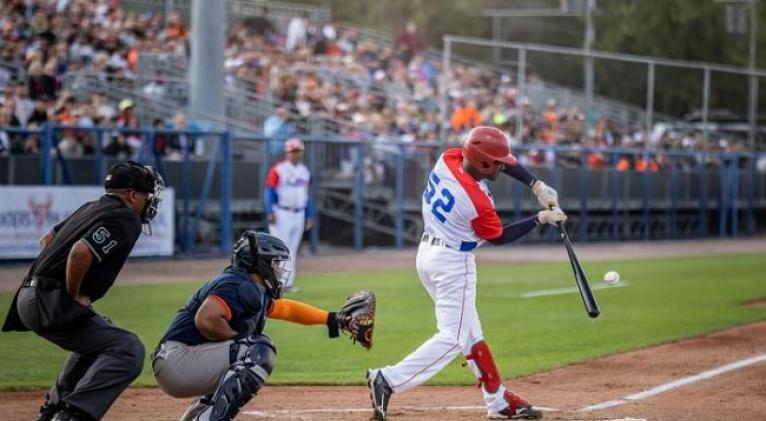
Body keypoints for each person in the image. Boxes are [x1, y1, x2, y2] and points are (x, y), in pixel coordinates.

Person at [366, 126, 566, 421]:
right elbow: (498, 237)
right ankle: (388, 379)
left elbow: (497, 157)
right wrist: (540, 218)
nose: (500, 166)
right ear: (483, 161)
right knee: (454, 337)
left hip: (428, 254)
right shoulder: (476, 201)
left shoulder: (448, 158)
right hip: (453, 263)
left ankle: (497, 401)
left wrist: (535, 184)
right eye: (496, 163)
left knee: (471, 333)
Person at [1, 161, 165, 421]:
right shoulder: (127, 217)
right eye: (147, 195)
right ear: (132, 195)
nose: (150, 202)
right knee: (128, 349)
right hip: (48, 299)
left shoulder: (92, 206)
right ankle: (72, 415)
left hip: (27, 296)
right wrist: (72, 294)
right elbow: (80, 252)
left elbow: (47, 239)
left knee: (98, 340)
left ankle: (53, 411)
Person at [152, 231, 375, 421]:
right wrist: (237, 341)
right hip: (178, 360)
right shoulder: (235, 284)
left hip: (180, 361)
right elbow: (206, 319)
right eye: (275, 263)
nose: (279, 270)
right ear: (259, 263)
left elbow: (286, 309)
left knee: (241, 355)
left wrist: (332, 319)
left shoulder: (251, 289)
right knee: (257, 351)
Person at [264, 138, 313, 293]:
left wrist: (308, 215)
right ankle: (275, 283)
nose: (295, 154)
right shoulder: (278, 169)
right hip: (281, 212)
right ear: (287, 152)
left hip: (298, 212)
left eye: (298, 151)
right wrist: (270, 211)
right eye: (293, 151)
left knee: (292, 249)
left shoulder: (304, 171)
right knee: (280, 248)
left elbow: (307, 195)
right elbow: (269, 190)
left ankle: (288, 282)